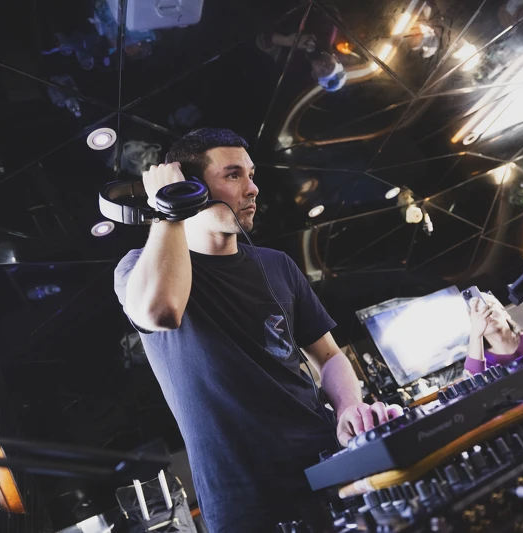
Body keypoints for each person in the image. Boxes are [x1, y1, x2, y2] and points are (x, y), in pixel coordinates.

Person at [113, 128, 400, 532]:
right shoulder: (138, 268)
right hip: (243, 496)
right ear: (192, 188)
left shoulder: (277, 264)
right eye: (233, 175)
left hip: (327, 463)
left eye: (251, 174)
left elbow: (330, 356)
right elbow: (161, 311)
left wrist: (349, 406)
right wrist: (168, 207)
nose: (252, 188)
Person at [464, 294, 523, 373]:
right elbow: (477, 378)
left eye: (489, 307)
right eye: (478, 313)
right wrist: (476, 335)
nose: (486, 314)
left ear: (505, 313)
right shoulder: (481, 361)